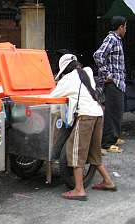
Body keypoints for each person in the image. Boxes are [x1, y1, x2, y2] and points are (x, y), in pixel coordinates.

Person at [51, 54, 117, 201]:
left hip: (86, 116)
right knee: (93, 151)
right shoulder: (86, 72)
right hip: (98, 114)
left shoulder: (67, 79)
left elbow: (53, 97)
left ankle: (79, 189)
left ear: (64, 69)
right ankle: (108, 181)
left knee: (75, 150)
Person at [93, 16, 127, 153]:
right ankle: (107, 143)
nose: (126, 29)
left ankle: (114, 137)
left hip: (118, 82)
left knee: (117, 111)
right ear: (120, 27)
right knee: (113, 112)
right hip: (113, 82)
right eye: (125, 26)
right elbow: (98, 55)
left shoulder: (116, 40)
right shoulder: (112, 39)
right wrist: (108, 75)